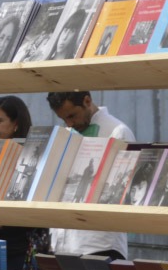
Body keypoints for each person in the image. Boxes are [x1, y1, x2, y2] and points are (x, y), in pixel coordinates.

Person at [47, 91, 133, 259]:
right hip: (62, 243)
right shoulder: (66, 133)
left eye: (72, 115)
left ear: (87, 101)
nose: (69, 123)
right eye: (63, 119)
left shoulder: (118, 132)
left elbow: (121, 189)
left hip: (99, 243)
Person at [0, 95, 44, 270]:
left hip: (19, 250)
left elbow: (40, 211)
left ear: (16, 124)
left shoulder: (33, 160)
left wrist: (5, 221)